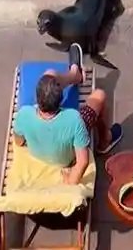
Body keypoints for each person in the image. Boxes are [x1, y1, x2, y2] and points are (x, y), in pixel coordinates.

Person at [12, 43, 123, 185]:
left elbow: (19, 141)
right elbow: (82, 162)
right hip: (65, 159)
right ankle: (105, 140)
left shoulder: (24, 115)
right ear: (60, 100)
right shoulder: (74, 120)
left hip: (38, 153)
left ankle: (75, 75)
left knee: (49, 76)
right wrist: (70, 181)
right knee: (99, 96)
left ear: (37, 98)